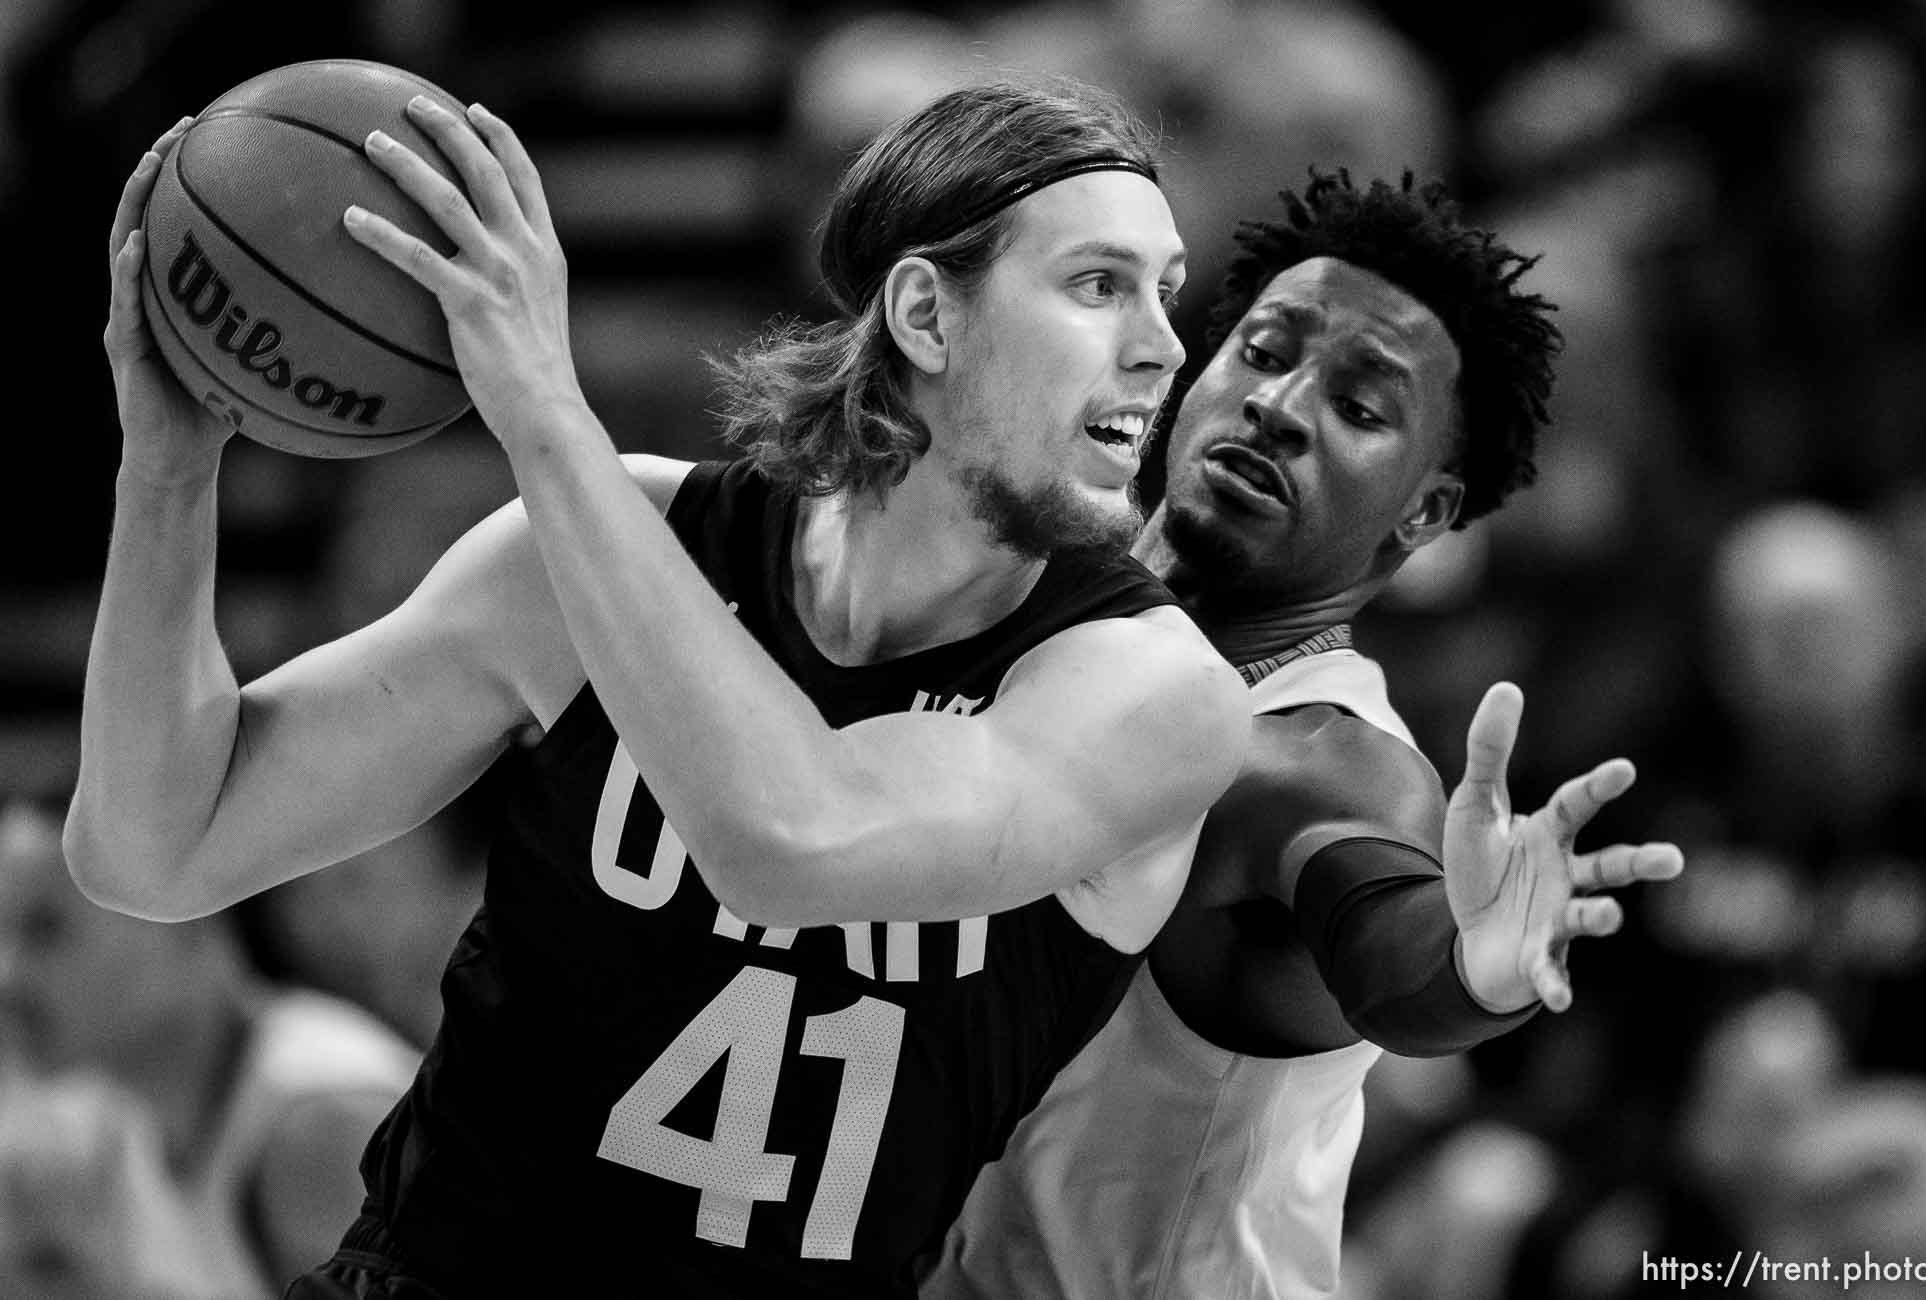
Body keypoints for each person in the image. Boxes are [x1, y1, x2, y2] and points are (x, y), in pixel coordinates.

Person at [78, 80, 1250, 1297]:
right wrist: (166, 476)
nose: (1165, 344)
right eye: (1099, 284)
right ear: (924, 313)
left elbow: (798, 837)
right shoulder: (611, 543)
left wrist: (540, 406)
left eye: (1166, 291)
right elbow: (159, 845)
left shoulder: (1151, 692)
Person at [922, 171, 1686, 1300]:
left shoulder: (1320, 762)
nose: (1280, 405)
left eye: (1362, 408)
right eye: (1267, 351)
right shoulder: (1017, 593)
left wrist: (1479, 966)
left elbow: (1399, 963)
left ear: (1425, 510)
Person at [0, 796, 419, 1296]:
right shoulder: (122, 1128)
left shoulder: (319, 1137)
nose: (8, 975)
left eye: (44, 927)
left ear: (185, 912)